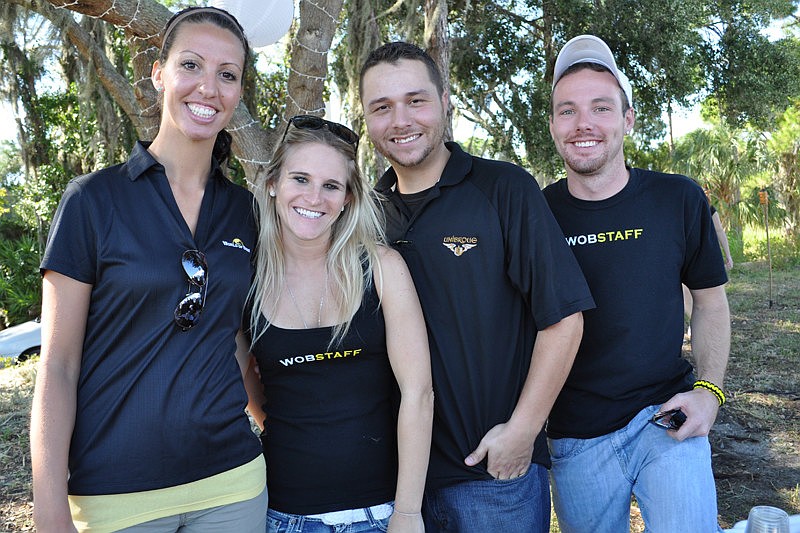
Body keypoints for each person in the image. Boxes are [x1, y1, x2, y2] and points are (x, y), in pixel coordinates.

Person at [30, 7, 267, 532]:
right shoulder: (93, 201)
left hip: (233, 485)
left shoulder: (246, 212)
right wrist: (48, 508)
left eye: (227, 75)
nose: (208, 88)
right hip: (116, 494)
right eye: (191, 65)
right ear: (159, 73)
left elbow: (233, 338)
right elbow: (58, 366)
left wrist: (274, 423)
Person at [359, 42, 595, 532]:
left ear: (445, 102)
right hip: (395, 484)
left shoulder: (503, 189)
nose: (400, 120)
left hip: (491, 477)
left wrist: (522, 432)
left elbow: (564, 319)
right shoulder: (365, 215)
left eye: (415, 101)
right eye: (382, 107)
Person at [543, 34, 731, 532]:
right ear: (553, 125)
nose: (583, 123)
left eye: (601, 108)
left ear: (627, 119)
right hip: (575, 435)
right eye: (567, 111)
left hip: (665, 417)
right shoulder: (536, 213)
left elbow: (711, 303)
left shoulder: (679, 199)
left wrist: (709, 392)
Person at [243, 115, 434, 533]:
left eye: (331, 186)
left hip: (381, 513)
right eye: (300, 179)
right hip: (283, 516)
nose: (314, 198)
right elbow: (249, 391)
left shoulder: (382, 268)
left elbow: (418, 394)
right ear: (273, 183)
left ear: (348, 197)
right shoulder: (248, 278)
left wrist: (407, 512)